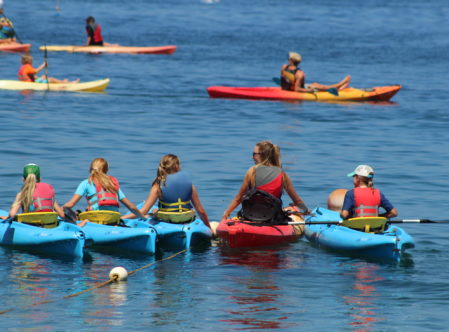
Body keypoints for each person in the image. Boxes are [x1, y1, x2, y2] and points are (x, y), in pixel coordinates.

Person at [221, 141, 310, 222]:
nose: (252, 157)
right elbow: (296, 200)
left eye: (254, 154)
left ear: (262, 155)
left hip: (250, 216)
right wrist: (306, 211)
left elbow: (239, 198)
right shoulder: (282, 174)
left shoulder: (252, 171)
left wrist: (226, 214)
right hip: (272, 218)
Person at [121, 154, 211, 228]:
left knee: (151, 213)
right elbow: (200, 210)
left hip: (168, 219)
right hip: (186, 218)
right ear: (176, 166)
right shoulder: (189, 184)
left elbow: (143, 211)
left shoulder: (158, 185)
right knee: (155, 212)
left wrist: (122, 218)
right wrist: (208, 228)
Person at [63, 158, 145, 219]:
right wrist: (143, 217)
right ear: (107, 170)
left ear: (90, 169)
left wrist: (60, 210)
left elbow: (70, 204)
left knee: (76, 213)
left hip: (95, 219)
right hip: (113, 218)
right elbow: (131, 206)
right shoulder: (112, 183)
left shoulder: (85, 183)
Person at [280, 52, 351, 93]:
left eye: (288, 57)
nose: (288, 58)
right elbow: (296, 89)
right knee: (318, 85)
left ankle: (341, 85)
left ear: (291, 60)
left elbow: (296, 88)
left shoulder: (284, 67)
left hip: (296, 88)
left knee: (319, 86)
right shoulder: (299, 73)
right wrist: (310, 90)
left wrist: (310, 90)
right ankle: (341, 85)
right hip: (299, 87)